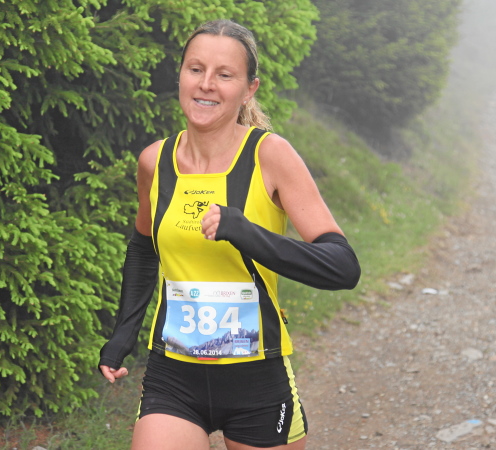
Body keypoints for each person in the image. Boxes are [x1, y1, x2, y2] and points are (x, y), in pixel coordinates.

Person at [98, 19, 361, 450]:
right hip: (173, 376)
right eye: (195, 69)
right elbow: (144, 249)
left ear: (249, 88)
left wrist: (247, 233)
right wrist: (123, 334)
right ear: (180, 75)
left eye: (224, 74)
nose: (206, 84)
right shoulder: (154, 161)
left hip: (257, 382)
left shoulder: (270, 156)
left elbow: (342, 265)